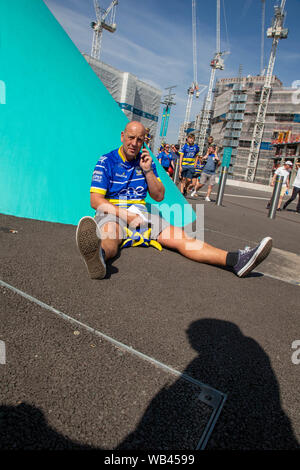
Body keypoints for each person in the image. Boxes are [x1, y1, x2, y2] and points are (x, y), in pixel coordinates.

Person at [76, 121, 272, 280]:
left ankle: (235, 260)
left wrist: (147, 171)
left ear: (144, 141)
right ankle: (98, 257)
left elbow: (159, 196)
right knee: (111, 233)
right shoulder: (106, 160)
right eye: (130, 138)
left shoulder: (146, 161)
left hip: (140, 214)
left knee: (182, 237)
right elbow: (96, 200)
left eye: (139, 139)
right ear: (122, 136)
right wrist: (125, 215)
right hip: (114, 211)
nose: (134, 143)